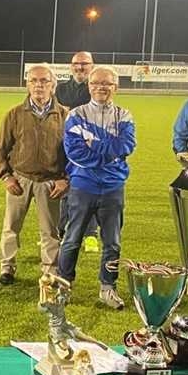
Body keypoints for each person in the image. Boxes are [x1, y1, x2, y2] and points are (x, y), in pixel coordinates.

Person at [57, 66, 136, 310]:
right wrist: (108, 152)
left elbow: (126, 146)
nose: (101, 87)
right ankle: (63, 286)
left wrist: (93, 142)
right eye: (96, 83)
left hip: (113, 187)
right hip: (83, 186)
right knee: (72, 239)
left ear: (116, 87)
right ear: (89, 87)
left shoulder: (124, 115)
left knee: (112, 242)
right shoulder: (76, 114)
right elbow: (75, 151)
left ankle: (107, 288)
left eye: (107, 83)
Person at [0, 64, 69, 285]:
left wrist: (65, 179)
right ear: (27, 85)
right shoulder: (14, 114)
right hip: (20, 179)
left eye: (44, 81)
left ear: (53, 85)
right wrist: (6, 176)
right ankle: (7, 267)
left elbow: (74, 153)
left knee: (50, 231)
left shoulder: (65, 115)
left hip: (51, 182)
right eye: (33, 80)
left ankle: (50, 271)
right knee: (11, 227)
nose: (38, 85)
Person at [56, 51, 100, 252]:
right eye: (76, 63)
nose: (80, 67)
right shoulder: (60, 89)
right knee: (64, 190)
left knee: (88, 191)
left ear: (92, 66)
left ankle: (90, 235)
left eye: (84, 63)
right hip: (63, 146)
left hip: (90, 148)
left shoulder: (96, 89)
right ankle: (61, 232)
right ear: (71, 66)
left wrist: (70, 111)